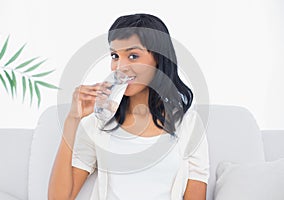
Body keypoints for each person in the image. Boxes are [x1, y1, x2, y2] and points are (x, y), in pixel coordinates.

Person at [48, 13, 209, 200]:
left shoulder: (188, 124)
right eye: (115, 56)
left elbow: (196, 192)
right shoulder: (97, 123)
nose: (120, 66)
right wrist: (72, 120)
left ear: (158, 58)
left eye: (133, 56)